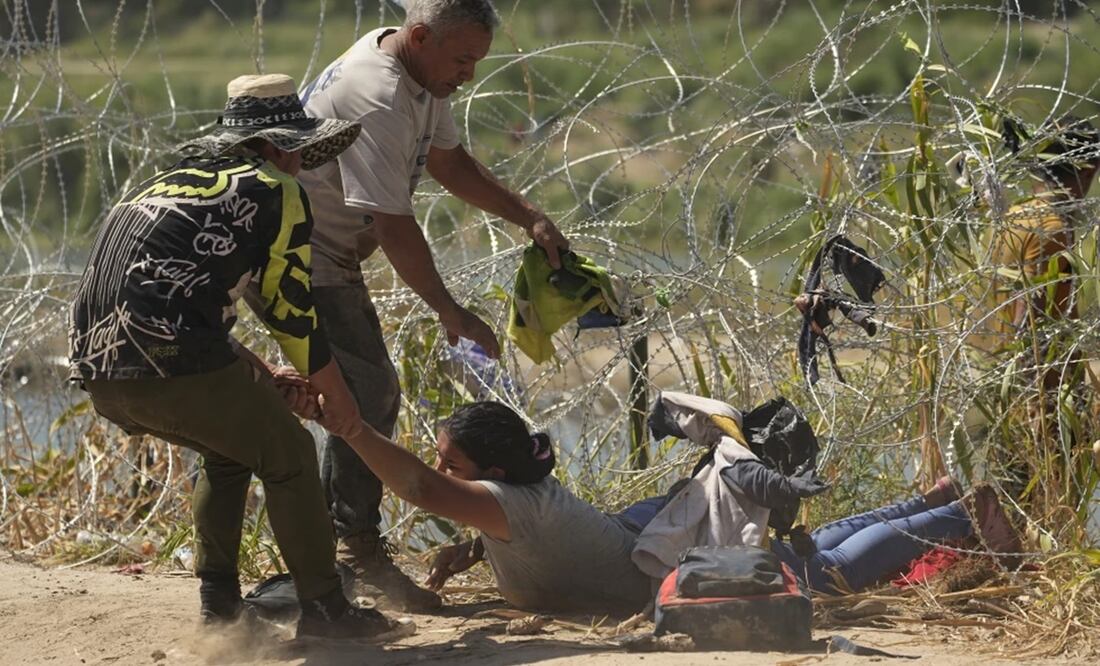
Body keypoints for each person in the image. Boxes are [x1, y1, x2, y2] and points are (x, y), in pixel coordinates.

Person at [68, 73, 408, 641]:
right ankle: (326, 610)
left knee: (230, 452)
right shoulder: (275, 189)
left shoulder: (165, 184)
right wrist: (340, 400)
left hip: (101, 371)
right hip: (176, 363)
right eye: (299, 151)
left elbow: (162, 301)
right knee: (292, 454)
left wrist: (256, 369)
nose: (302, 164)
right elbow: (289, 307)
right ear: (278, 147)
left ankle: (220, 609)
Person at [291, 0, 569, 609]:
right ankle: (353, 554)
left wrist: (530, 217)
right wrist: (452, 312)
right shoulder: (379, 96)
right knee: (367, 393)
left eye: (476, 61)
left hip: (327, 254)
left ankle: (333, 551)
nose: (469, 73)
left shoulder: (421, 72)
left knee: (353, 393)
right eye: (464, 59)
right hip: (301, 255)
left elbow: (447, 162)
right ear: (420, 37)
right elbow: (393, 225)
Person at [313, 399, 1022, 613]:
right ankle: (934, 502)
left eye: (453, 463)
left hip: (654, 569)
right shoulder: (506, 500)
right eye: (443, 460)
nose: (443, 473)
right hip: (636, 538)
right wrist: (473, 547)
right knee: (804, 551)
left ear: (492, 472)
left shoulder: (505, 500)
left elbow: (420, 489)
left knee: (816, 574)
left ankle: (963, 519)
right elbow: (453, 497)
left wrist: (349, 426)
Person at [991, 115, 1100, 499]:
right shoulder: (1054, 229)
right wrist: (1044, 406)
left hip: (1009, 386)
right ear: (1085, 170)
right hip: (1045, 392)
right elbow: (1030, 320)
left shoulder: (1017, 215)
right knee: (1051, 501)